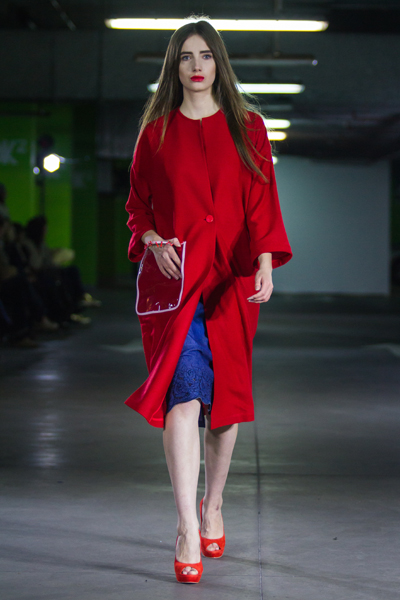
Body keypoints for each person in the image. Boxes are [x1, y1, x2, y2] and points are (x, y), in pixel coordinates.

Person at [125, 19, 292, 584]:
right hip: (177, 286)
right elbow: (138, 205)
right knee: (184, 392)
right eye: (185, 57)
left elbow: (262, 198)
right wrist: (152, 239)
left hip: (232, 284)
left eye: (205, 55)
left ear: (219, 62)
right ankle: (185, 527)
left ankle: (213, 505)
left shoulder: (249, 126)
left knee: (225, 404)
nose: (196, 66)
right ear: (173, 67)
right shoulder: (156, 134)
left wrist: (265, 260)